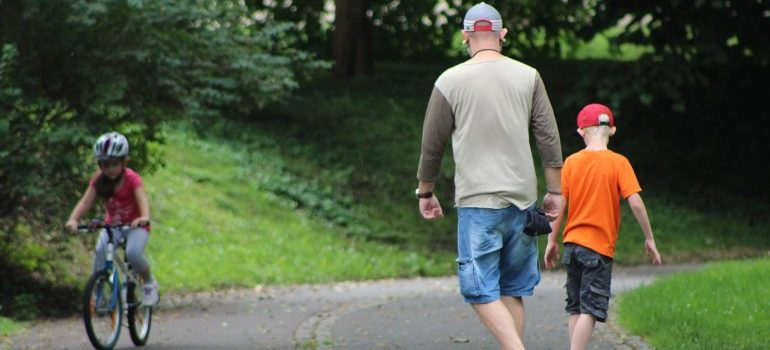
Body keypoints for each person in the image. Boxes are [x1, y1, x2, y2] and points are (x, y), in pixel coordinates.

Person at [415, 3, 563, 349]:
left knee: (479, 289)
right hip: (522, 201)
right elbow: (549, 138)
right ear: (502, 34)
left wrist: (426, 192)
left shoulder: (449, 80)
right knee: (512, 290)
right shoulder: (529, 76)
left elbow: (431, 145)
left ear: (465, 36)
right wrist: (554, 191)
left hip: (478, 202)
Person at [543, 103, 662, 350]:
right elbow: (636, 203)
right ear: (613, 130)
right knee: (591, 308)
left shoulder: (572, 162)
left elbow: (559, 206)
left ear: (581, 132)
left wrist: (551, 241)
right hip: (597, 249)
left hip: (572, 245)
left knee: (576, 306)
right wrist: (649, 237)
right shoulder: (619, 162)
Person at [65, 131, 159, 306]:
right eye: (105, 165)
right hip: (113, 226)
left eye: (114, 164)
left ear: (124, 162)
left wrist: (144, 217)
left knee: (133, 252)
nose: (110, 169)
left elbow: (142, 199)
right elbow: (85, 202)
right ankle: (98, 291)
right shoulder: (99, 181)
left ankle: (148, 283)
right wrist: (74, 220)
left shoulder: (132, 179)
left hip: (135, 226)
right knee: (100, 251)